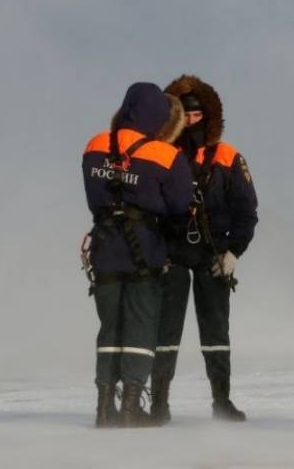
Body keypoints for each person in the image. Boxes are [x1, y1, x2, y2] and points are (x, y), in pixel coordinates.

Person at [82, 82, 191, 427]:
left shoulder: (95, 144)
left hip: (104, 247)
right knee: (141, 327)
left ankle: (104, 408)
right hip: (145, 248)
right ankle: (131, 406)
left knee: (109, 328)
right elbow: (179, 205)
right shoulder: (165, 154)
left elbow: (94, 192)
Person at [152, 75, 259, 423]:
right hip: (172, 254)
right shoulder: (161, 154)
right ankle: (159, 403)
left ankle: (222, 401)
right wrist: (157, 254)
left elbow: (247, 212)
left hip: (214, 253)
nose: (192, 122)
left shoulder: (228, 157)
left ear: (208, 117)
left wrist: (233, 253)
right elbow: (147, 209)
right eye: (186, 116)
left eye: (197, 116)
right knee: (164, 333)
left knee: (216, 333)